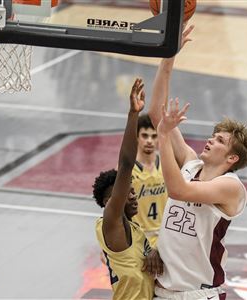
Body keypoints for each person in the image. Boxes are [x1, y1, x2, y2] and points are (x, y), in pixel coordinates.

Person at [145, 24, 247, 300]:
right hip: (162, 290)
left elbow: (178, 191)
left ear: (232, 158)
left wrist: (163, 136)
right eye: (213, 136)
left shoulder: (230, 187)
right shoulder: (191, 164)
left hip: (198, 295)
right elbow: (155, 111)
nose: (211, 140)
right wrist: (169, 54)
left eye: (220, 141)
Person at [93, 78, 155, 300]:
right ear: (111, 201)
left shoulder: (134, 229)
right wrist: (133, 114)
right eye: (126, 192)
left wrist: (156, 252)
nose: (133, 194)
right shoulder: (111, 219)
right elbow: (127, 164)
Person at [132, 114, 168, 247]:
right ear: (136, 137)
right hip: (138, 237)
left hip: (165, 236)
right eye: (145, 135)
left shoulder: (167, 164)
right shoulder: (127, 169)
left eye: (154, 136)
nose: (149, 141)